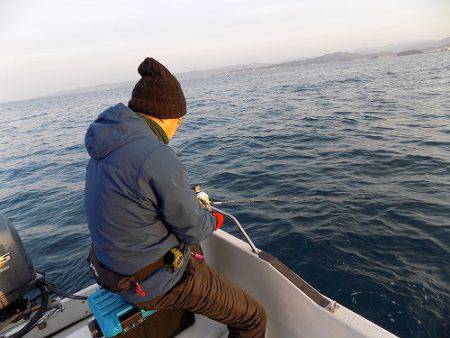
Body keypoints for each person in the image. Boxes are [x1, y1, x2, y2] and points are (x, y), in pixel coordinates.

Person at [84, 57, 267, 337]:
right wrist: (213, 217)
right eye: (179, 121)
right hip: (152, 284)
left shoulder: (106, 146)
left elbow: (139, 200)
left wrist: (185, 200)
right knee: (253, 317)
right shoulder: (154, 154)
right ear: (165, 115)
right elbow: (195, 229)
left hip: (114, 272)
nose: (178, 128)